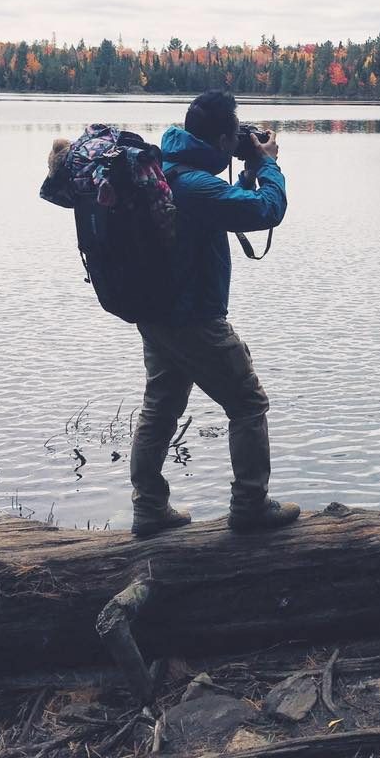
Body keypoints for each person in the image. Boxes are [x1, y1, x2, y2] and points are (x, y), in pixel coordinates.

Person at [129, 90, 300, 537]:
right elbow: (268, 210)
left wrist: (243, 173)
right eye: (237, 133)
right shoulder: (193, 184)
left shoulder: (167, 168)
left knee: (160, 406)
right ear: (224, 137)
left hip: (157, 314)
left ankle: (148, 509)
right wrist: (266, 165)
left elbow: (220, 209)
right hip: (194, 319)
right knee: (248, 404)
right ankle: (250, 506)